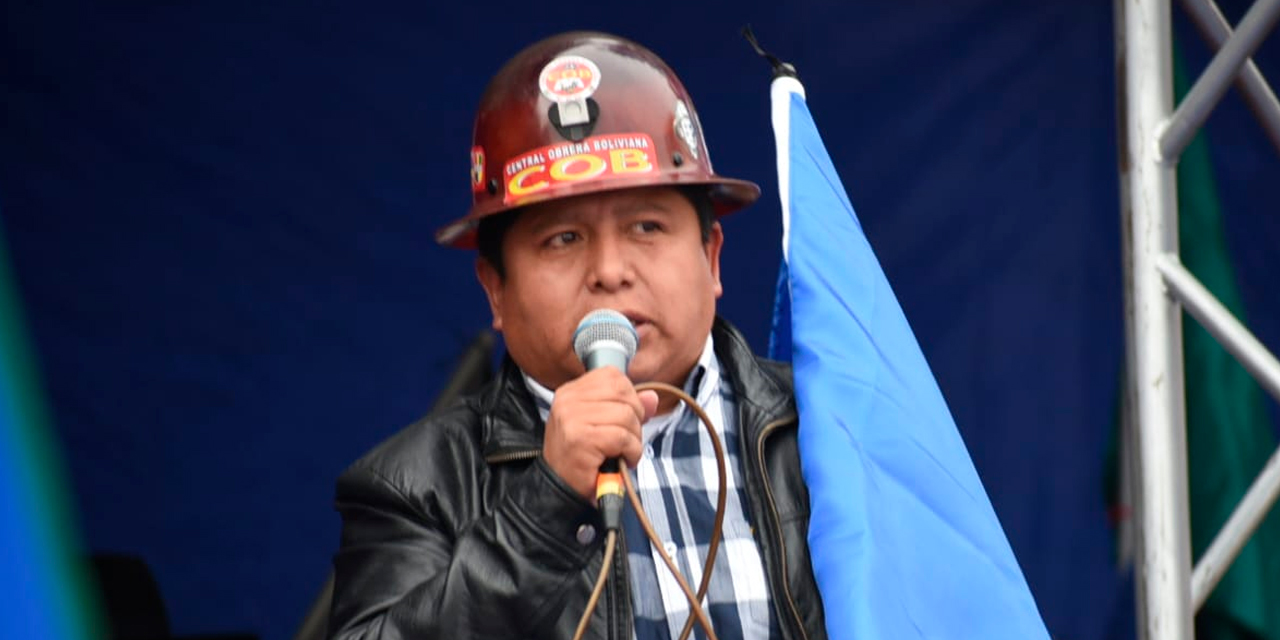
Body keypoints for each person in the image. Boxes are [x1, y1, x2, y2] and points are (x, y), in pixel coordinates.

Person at [327, 31, 827, 640]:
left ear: (712, 259)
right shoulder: (414, 485)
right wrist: (548, 503)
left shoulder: (829, 427)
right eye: (563, 239)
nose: (610, 271)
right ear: (495, 291)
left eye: (647, 226)